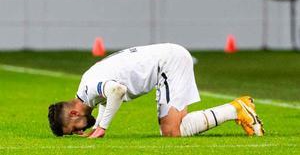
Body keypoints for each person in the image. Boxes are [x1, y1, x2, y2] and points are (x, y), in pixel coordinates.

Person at [48, 43, 264, 138]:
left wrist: (102, 127)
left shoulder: (88, 87)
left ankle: (236, 109)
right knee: (172, 131)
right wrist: (99, 128)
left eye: (73, 129)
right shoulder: (87, 91)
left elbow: (117, 91)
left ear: (74, 114)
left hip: (169, 64)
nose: (78, 132)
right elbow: (106, 99)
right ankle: (238, 108)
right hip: (166, 63)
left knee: (172, 132)